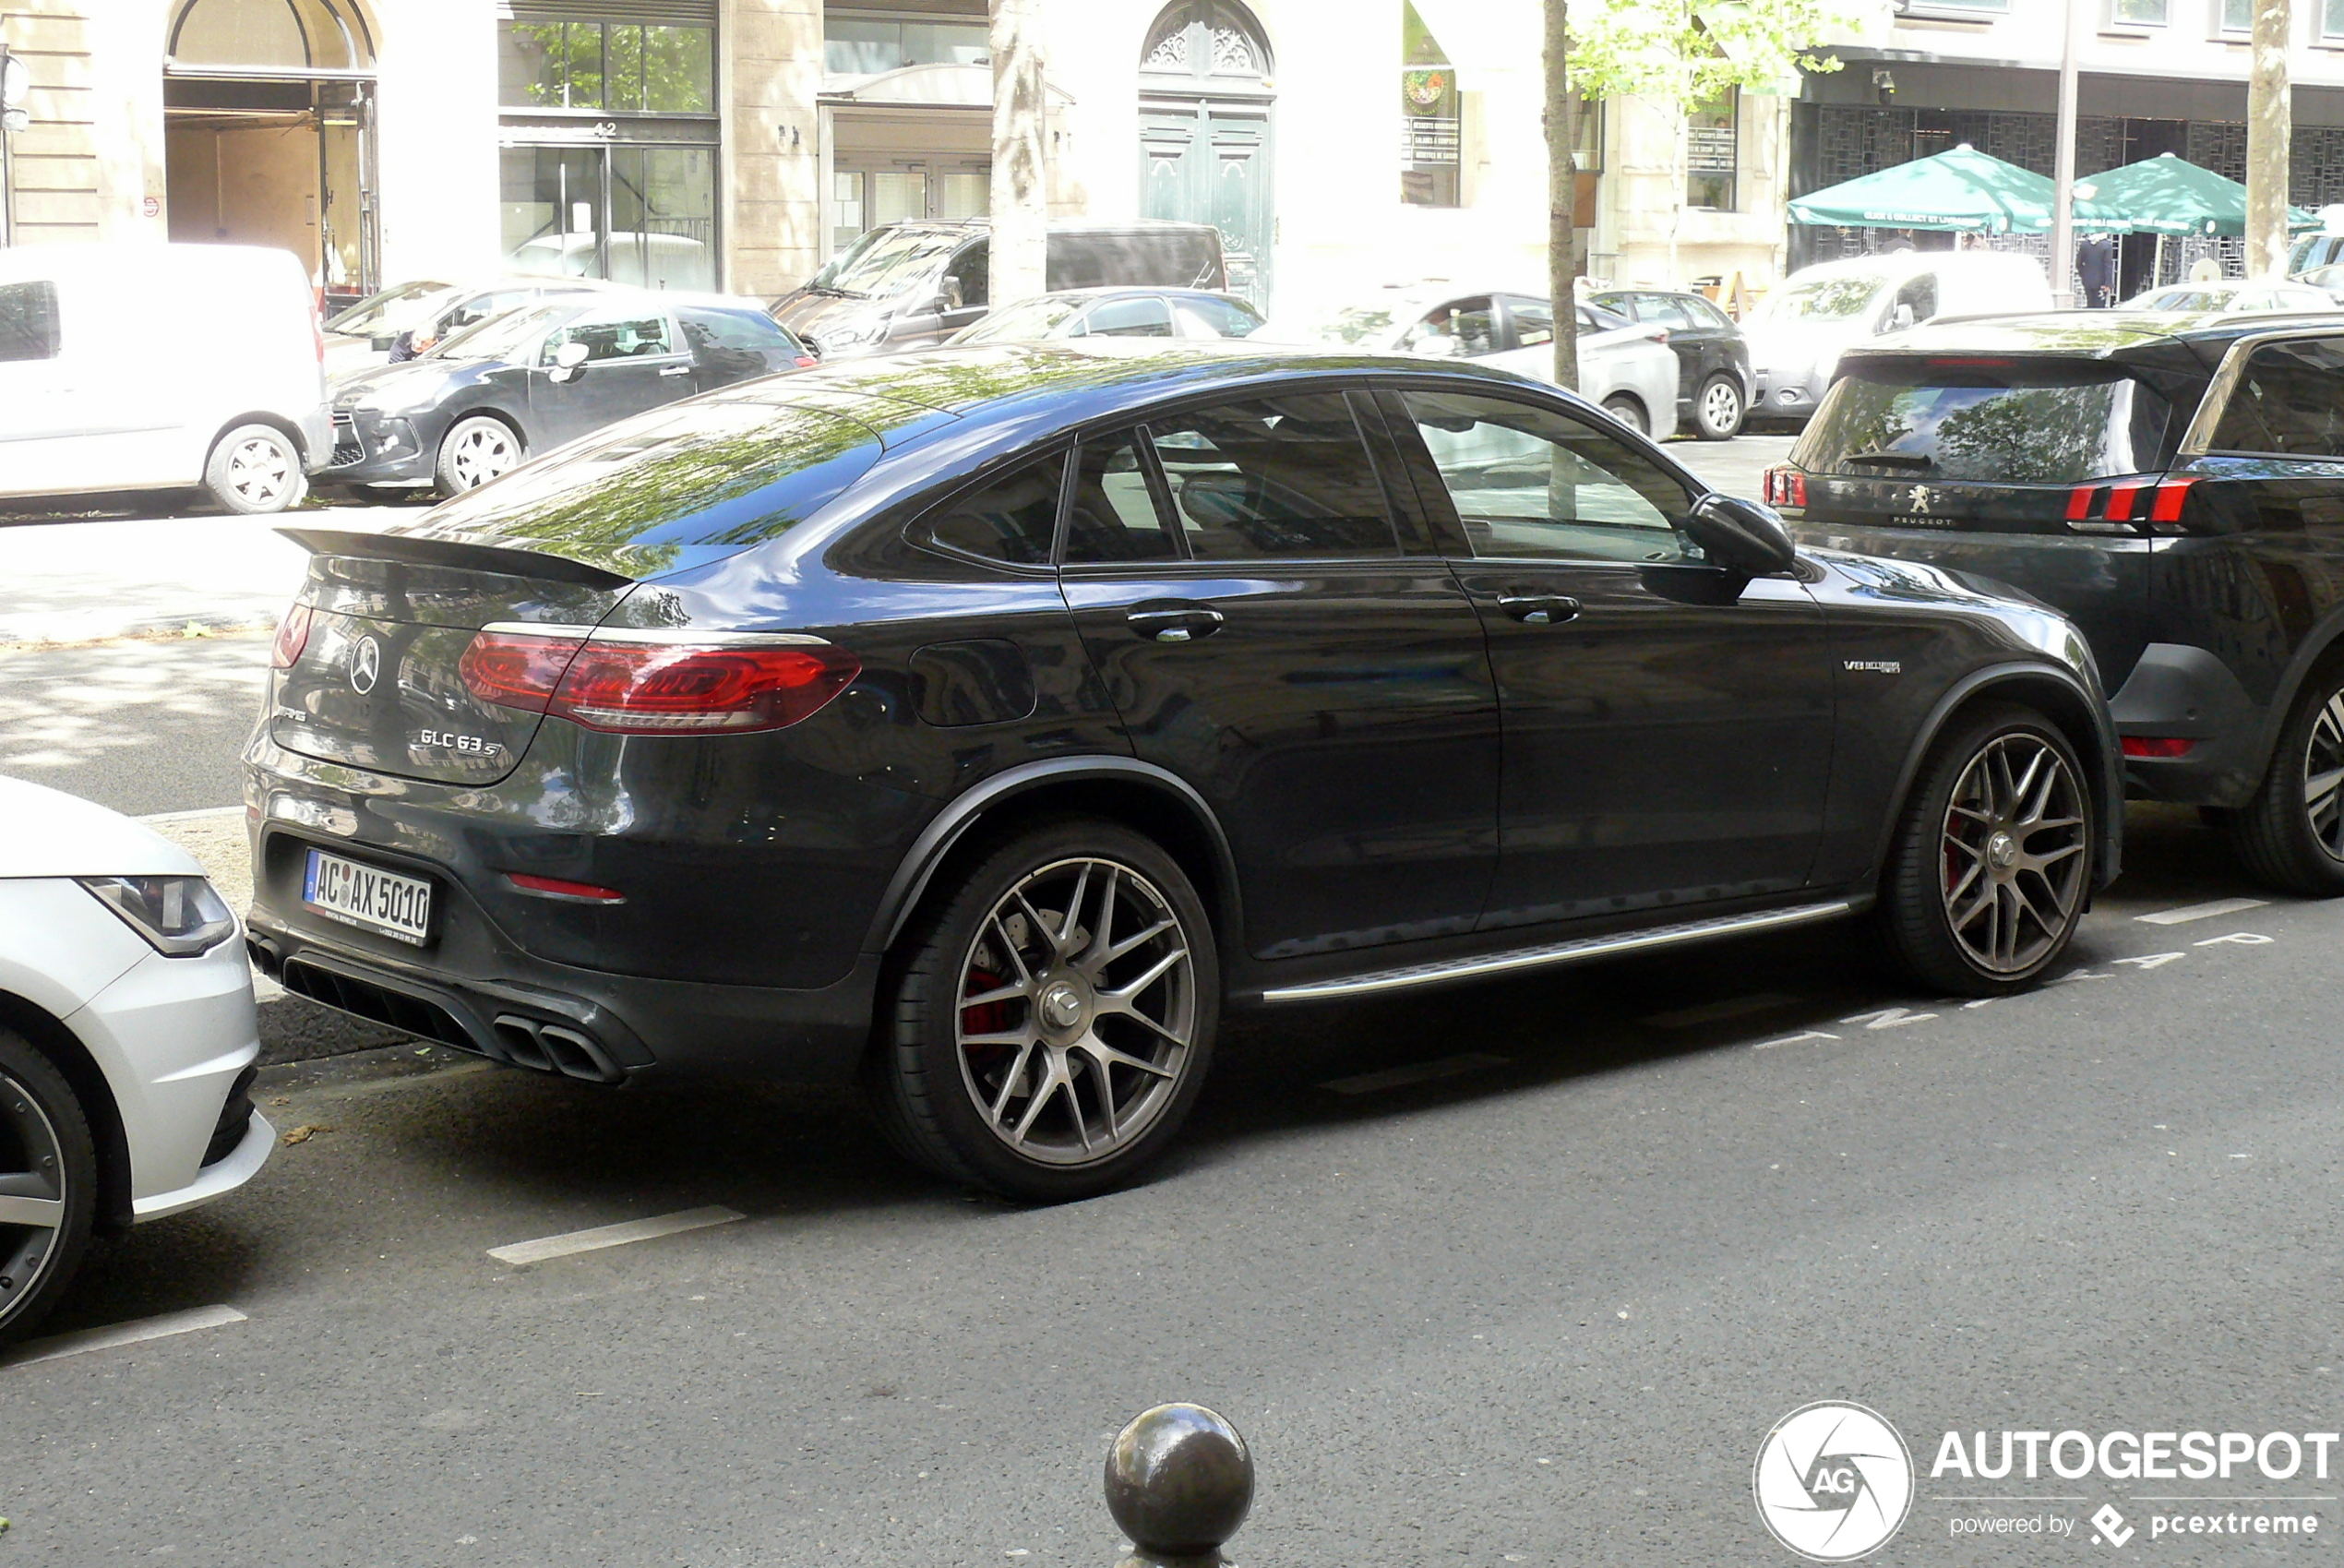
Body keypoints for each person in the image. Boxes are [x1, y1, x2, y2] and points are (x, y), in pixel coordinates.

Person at [2075, 234, 2115, 308]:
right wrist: (2108, 283)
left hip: (2087, 280)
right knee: (2099, 306)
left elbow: (2078, 263)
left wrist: (2083, 274)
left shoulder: (2084, 245)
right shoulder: (2106, 246)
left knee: (2090, 302)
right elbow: (2108, 265)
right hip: (2101, 282)